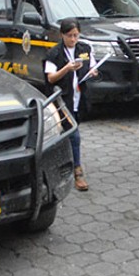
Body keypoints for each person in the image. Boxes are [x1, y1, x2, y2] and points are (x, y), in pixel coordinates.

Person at [44, 19, 97, 192]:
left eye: (76, 35)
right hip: (62, 100)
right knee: (74, 135)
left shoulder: (84, 49)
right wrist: (66, 69)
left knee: (67, 133)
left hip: (79, 98)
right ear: (62, 35)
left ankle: (62, 164)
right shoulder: (54, 53)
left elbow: (92, 66)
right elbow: (50, 78)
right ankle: (77, 172)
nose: (73, 39)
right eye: (69, 36)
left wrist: (93, 71)